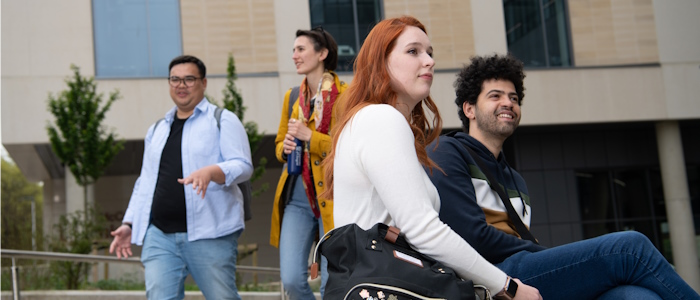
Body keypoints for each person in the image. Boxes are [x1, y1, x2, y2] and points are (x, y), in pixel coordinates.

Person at [426, 53, 700, 299]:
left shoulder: (516, 180)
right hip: (487, 278)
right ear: (469, 109)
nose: (508, 103)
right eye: (495, 96)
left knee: (632, 295)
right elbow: (470, 235)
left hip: (526, 274)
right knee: (630, 247)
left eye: (514, 98)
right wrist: (545, 254)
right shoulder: (447, 151)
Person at [322, 16, 542, 300]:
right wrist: (507, 287)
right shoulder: (380, 118)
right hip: (388, 286)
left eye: (430, 53)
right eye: (413, 51)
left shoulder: (376, 122)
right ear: (381, 61)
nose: (429, 61)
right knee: (617, 256)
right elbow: (423, 229)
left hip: (394, 283)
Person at [109, 55, 253, 300]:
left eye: (189, 79)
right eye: (175, 79)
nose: (181, 85)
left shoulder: (222, 120)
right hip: (159, 235)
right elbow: (145, 182)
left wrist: (212, 172)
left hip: (210, 233)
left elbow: (243, 166)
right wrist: (130, 224)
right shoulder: (157, 129)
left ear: (203, 83)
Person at [270, 27, 347, 299]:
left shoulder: (346, 96)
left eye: (301, 49)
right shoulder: (292, 97)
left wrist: (310, 137)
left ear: (322, 53)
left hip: (336, 196)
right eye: (294, 50)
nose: (294, 55)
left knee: (330, 283)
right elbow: (279, 144)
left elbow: (348, 148)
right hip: (298, 198)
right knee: (291, 279)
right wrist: (286, 147)